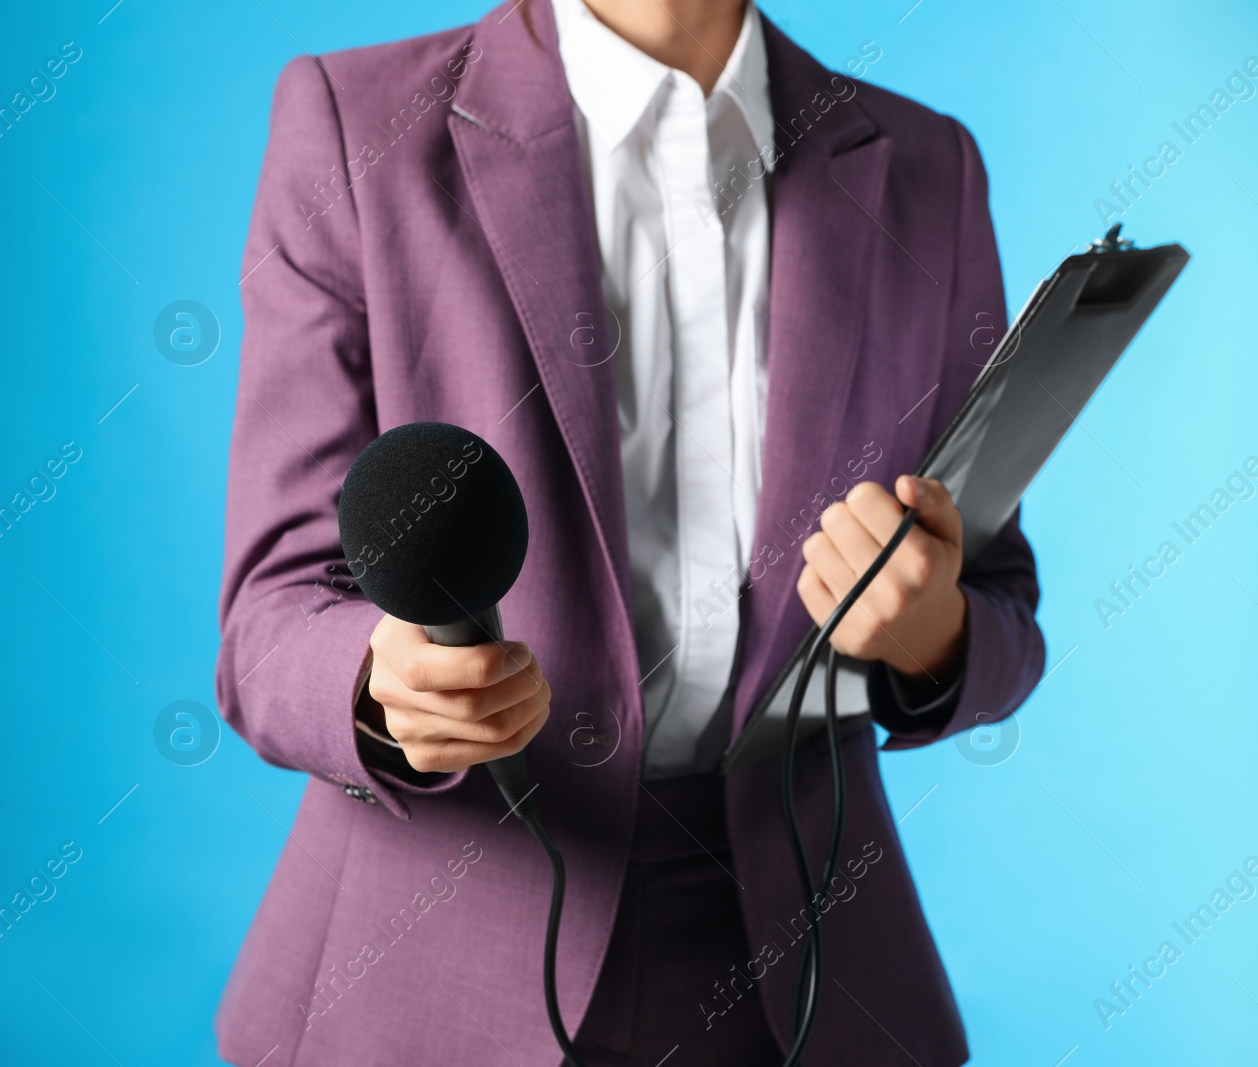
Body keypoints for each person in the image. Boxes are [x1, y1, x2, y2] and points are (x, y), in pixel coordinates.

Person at [215, 0, 1044, 1063]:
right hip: (436, 961)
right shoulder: (354, 121)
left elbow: (1004, 606)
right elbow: (267, 618)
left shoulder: (929, 169)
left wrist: (932, 635)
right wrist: (379, 687)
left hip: (804, 969)